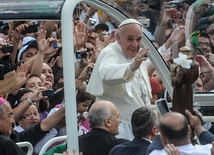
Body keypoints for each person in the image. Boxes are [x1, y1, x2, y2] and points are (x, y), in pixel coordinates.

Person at [86, 18, 152, 140]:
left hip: (140, 125)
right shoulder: (109, 52)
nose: (135, 44)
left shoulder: (138, 55)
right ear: (119, 38)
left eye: (138, 39)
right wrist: (132, 67)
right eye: (130, 39)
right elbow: (107, 74)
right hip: (119, 127)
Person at [147, 111, 213, 155]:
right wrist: (197, 126)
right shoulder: (209, 150)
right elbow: (211, 141)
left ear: (163, 138)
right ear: (189, 130)